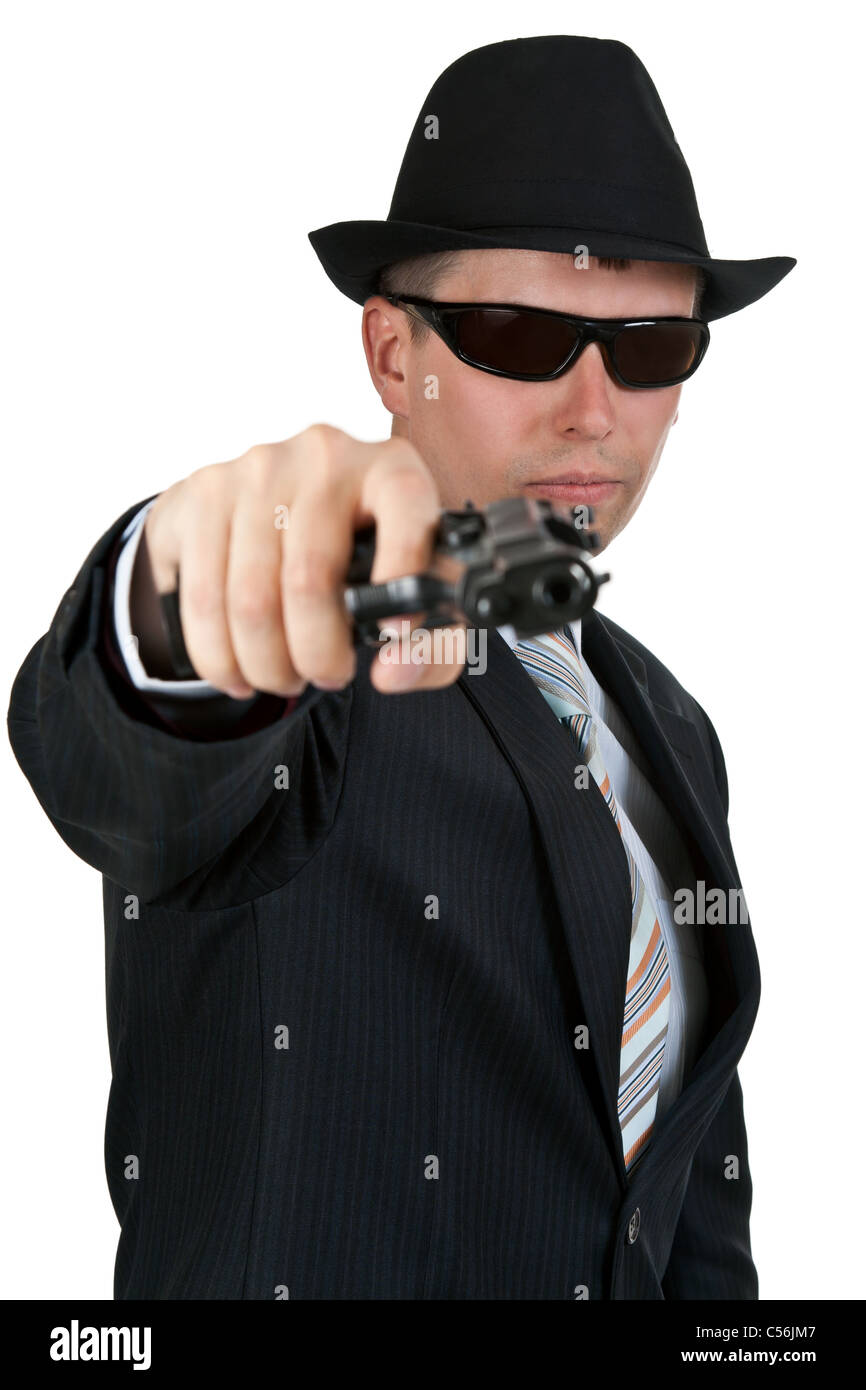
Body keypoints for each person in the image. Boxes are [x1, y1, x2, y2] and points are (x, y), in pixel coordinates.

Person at [7, 35, 794, 1299]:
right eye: (516, 332)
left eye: (647, 346)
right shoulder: (317, 635)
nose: (594, 407)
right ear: (389, 356)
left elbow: (685, 1197)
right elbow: (134, 756)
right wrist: (174, 603)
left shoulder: (669, 727)